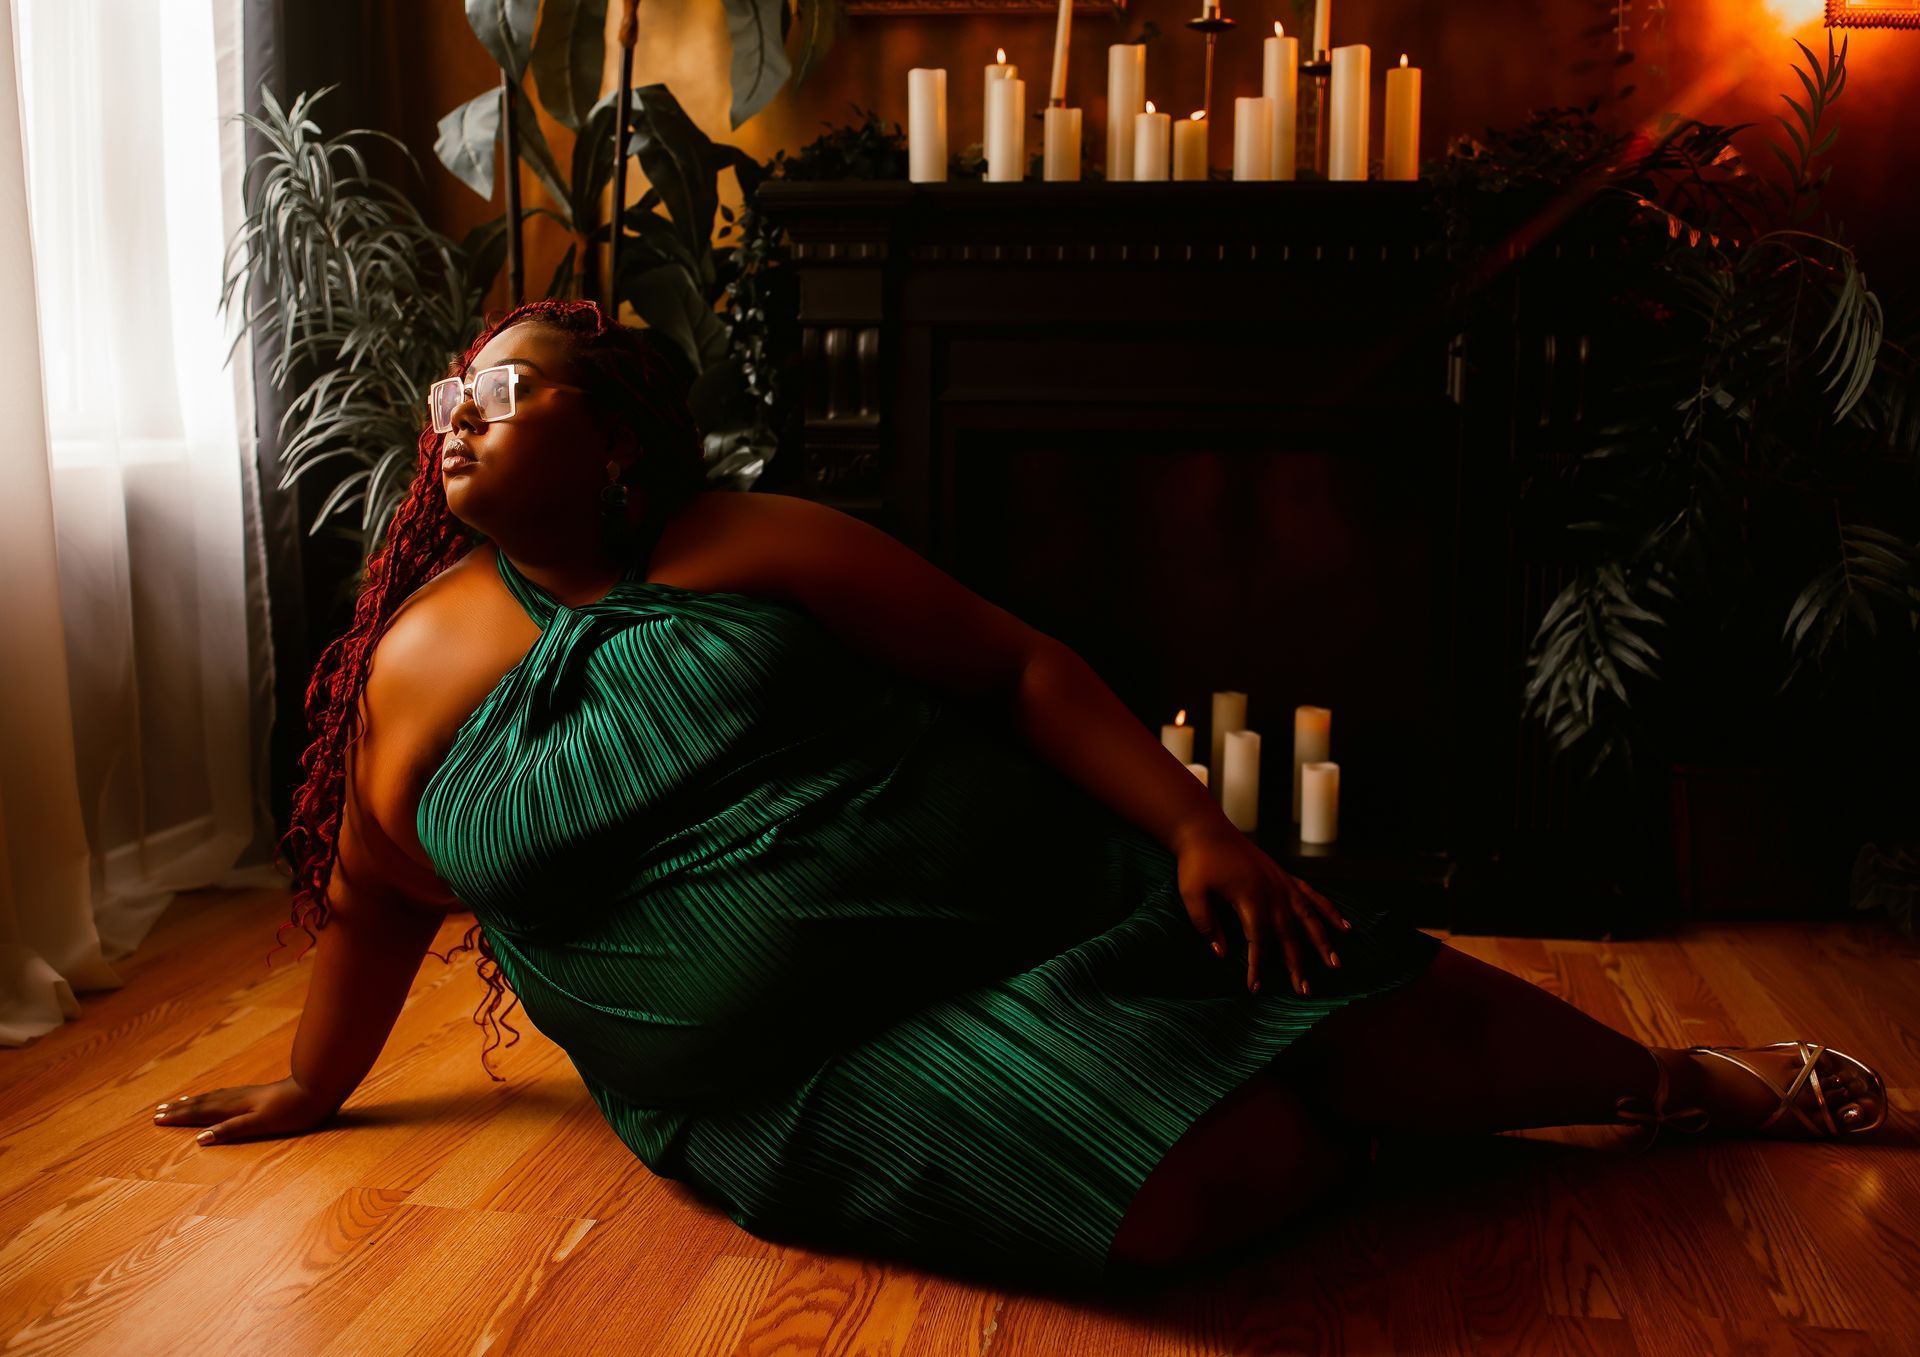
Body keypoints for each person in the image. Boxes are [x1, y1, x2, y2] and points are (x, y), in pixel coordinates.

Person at [148, 299, 1888, 1292]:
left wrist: (1200, 822)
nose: (460, 407)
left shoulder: (738, 538)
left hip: (1025, 904)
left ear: (615, 440)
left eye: (509, 385)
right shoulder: (418, 657)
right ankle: (1345, 1128)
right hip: (780, 1084)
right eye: (454, 388)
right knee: (1208, 1191)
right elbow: (382, 888)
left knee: (1302, 981)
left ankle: (1673, 1083)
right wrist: (313, 1080)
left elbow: (1015, 667)